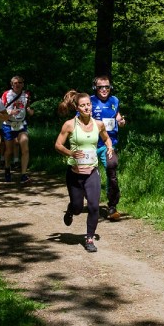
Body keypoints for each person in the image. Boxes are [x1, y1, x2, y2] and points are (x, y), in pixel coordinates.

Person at [55, 90, 115, 253]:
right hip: (74, 173)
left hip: (92, 171)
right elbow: (58, 145)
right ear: (76, 107)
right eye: (83, 105)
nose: (87, 108)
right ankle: (70, 210)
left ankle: (89, 238)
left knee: (94, 206)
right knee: (77, 207)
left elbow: (106, 137)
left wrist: (109, 147)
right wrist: (71, 153)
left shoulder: (98, 124)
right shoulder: (69, 125)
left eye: (89, 104)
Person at [90, 75, 126, 220]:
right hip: (91, 144)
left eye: (107, 87)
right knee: (89, 175)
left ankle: (112, 207)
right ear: (95, 88)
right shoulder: (90, 101)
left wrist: (121, 121)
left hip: (109, 144)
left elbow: (117, 116)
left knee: (112, 169)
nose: (104, 90)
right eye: (101, 87)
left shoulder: (114, 100)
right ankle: (87, 200)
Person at [0, 75, 34, 184]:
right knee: (9, 151)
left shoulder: (26, 95)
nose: (17, 84)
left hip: (21, 125)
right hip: (8, 124)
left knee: (25, 147)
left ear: (23, 84)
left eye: (20, 82)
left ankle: (24, 174)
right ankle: (7, 168)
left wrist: (29, 110)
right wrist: (10, 113)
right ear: (11, 84)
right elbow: (1, 111)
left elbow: (27, 106)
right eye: (15, 83)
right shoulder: (6, 94)